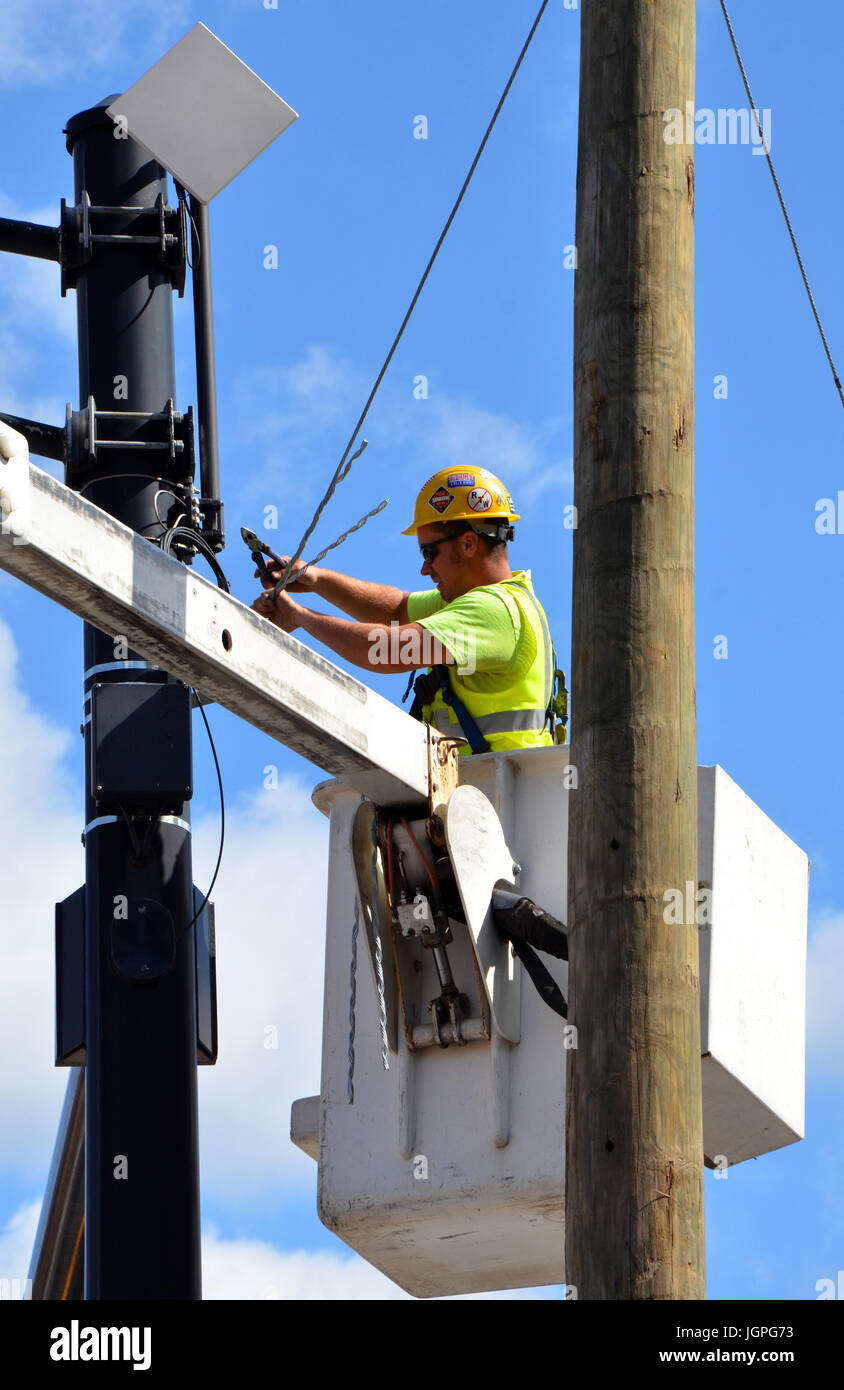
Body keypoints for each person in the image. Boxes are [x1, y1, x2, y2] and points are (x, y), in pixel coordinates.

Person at [252, 466, 561, 754]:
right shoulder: (484, 601)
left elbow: (384, 649)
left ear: (468, 544)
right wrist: (315, 578)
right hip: (486, 793)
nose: (425, 568)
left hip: (495, 797)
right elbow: (397, 609)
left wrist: (302, 617)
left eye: (430, 552)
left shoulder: (492, 611)